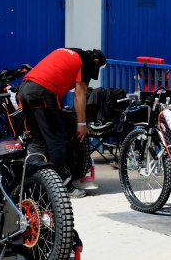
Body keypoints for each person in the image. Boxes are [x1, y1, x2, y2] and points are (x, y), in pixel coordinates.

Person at [19, 48, 107, 198]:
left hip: (25, 89)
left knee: (38, 141)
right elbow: (80, 94)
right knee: (58, 141)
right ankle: (63, 187)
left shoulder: (67, 52)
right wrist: (81, 124)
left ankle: (32, 185)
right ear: (96, 62)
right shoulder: (86, 61)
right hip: (43, 91)